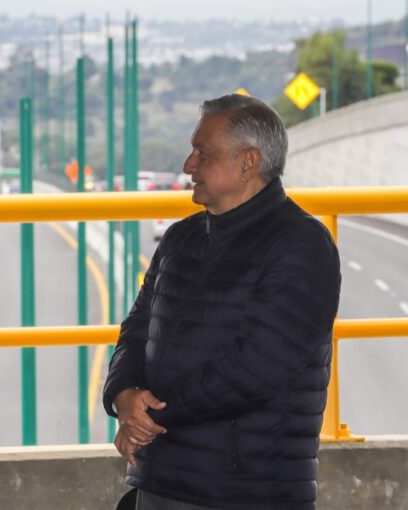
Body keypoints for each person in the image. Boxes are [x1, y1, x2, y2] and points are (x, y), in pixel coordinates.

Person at [103, 94, 341, 510]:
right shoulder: (180, 238)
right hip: (161, 480)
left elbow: (258, 367)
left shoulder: (301, 245)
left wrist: (150, 417)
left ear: (247, 163)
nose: (188, 165)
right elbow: (137, 329)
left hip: (247, 490)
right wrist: (122, 394)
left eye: (202, 153)